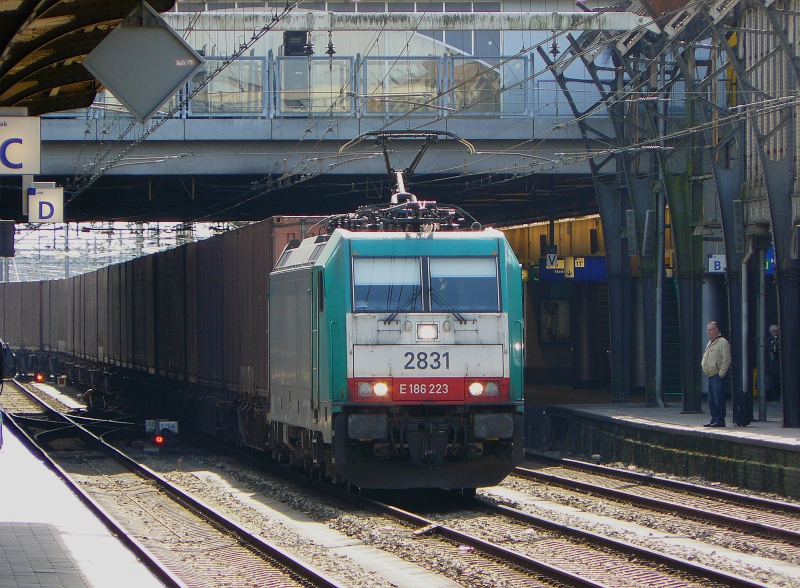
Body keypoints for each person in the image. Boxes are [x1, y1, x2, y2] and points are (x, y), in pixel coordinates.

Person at [701, 321, 732, 427]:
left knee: (719, 398)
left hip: (717, 375)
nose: (708, 332)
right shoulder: (710, 343)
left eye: (711, 329)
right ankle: (714, 418)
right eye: (708, 330)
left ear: (717, 330)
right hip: (710, 375)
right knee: (711, 400)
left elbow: (726, 358)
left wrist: (721, 374)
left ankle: (720, 420)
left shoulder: (722, 342)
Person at [766, 324, 781, 402]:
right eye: (774, 331)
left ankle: (776, 396)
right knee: (769, 381)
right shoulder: (768, 340)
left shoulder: (779, 340)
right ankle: (769, 396)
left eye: (776, 331)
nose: (775, 333)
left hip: (776, 363)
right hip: (769, 364)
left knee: (776, 381)